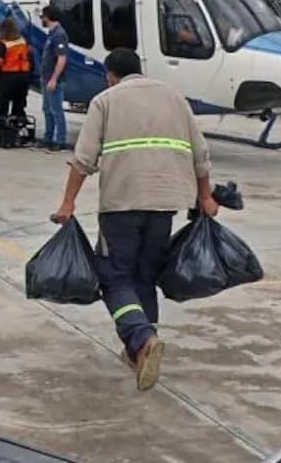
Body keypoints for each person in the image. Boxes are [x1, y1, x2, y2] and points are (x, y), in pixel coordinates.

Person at [51, 48, 216, 392]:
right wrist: (205, 197)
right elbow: (201, 155)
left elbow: (83, 159)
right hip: (165, 203)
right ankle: (138, 349)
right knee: (145, 275)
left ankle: (142, 338)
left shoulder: (105, 100)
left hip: (122, 203)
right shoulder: (174, 97)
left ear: (111, 74)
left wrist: (67, 203)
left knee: (114, 278)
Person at [0, 18, 34, 120]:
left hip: (8, 76)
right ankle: (17, 124)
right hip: (23, 77)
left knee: (2, 102)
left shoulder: (3, 44)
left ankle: (0, 126)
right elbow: (30, 57)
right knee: (19, 103)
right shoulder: (23, 41)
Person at [40, 5, 69, 152]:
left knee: (56, 110)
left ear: (48, 16)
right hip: (46, 77)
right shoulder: (51, 34)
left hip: (53, 79)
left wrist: (54, 79)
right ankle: (48, 137)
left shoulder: (58, 35)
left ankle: (60, 140)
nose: (41, 19)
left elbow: (61, 58)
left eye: (42, 16)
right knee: (47, 109)